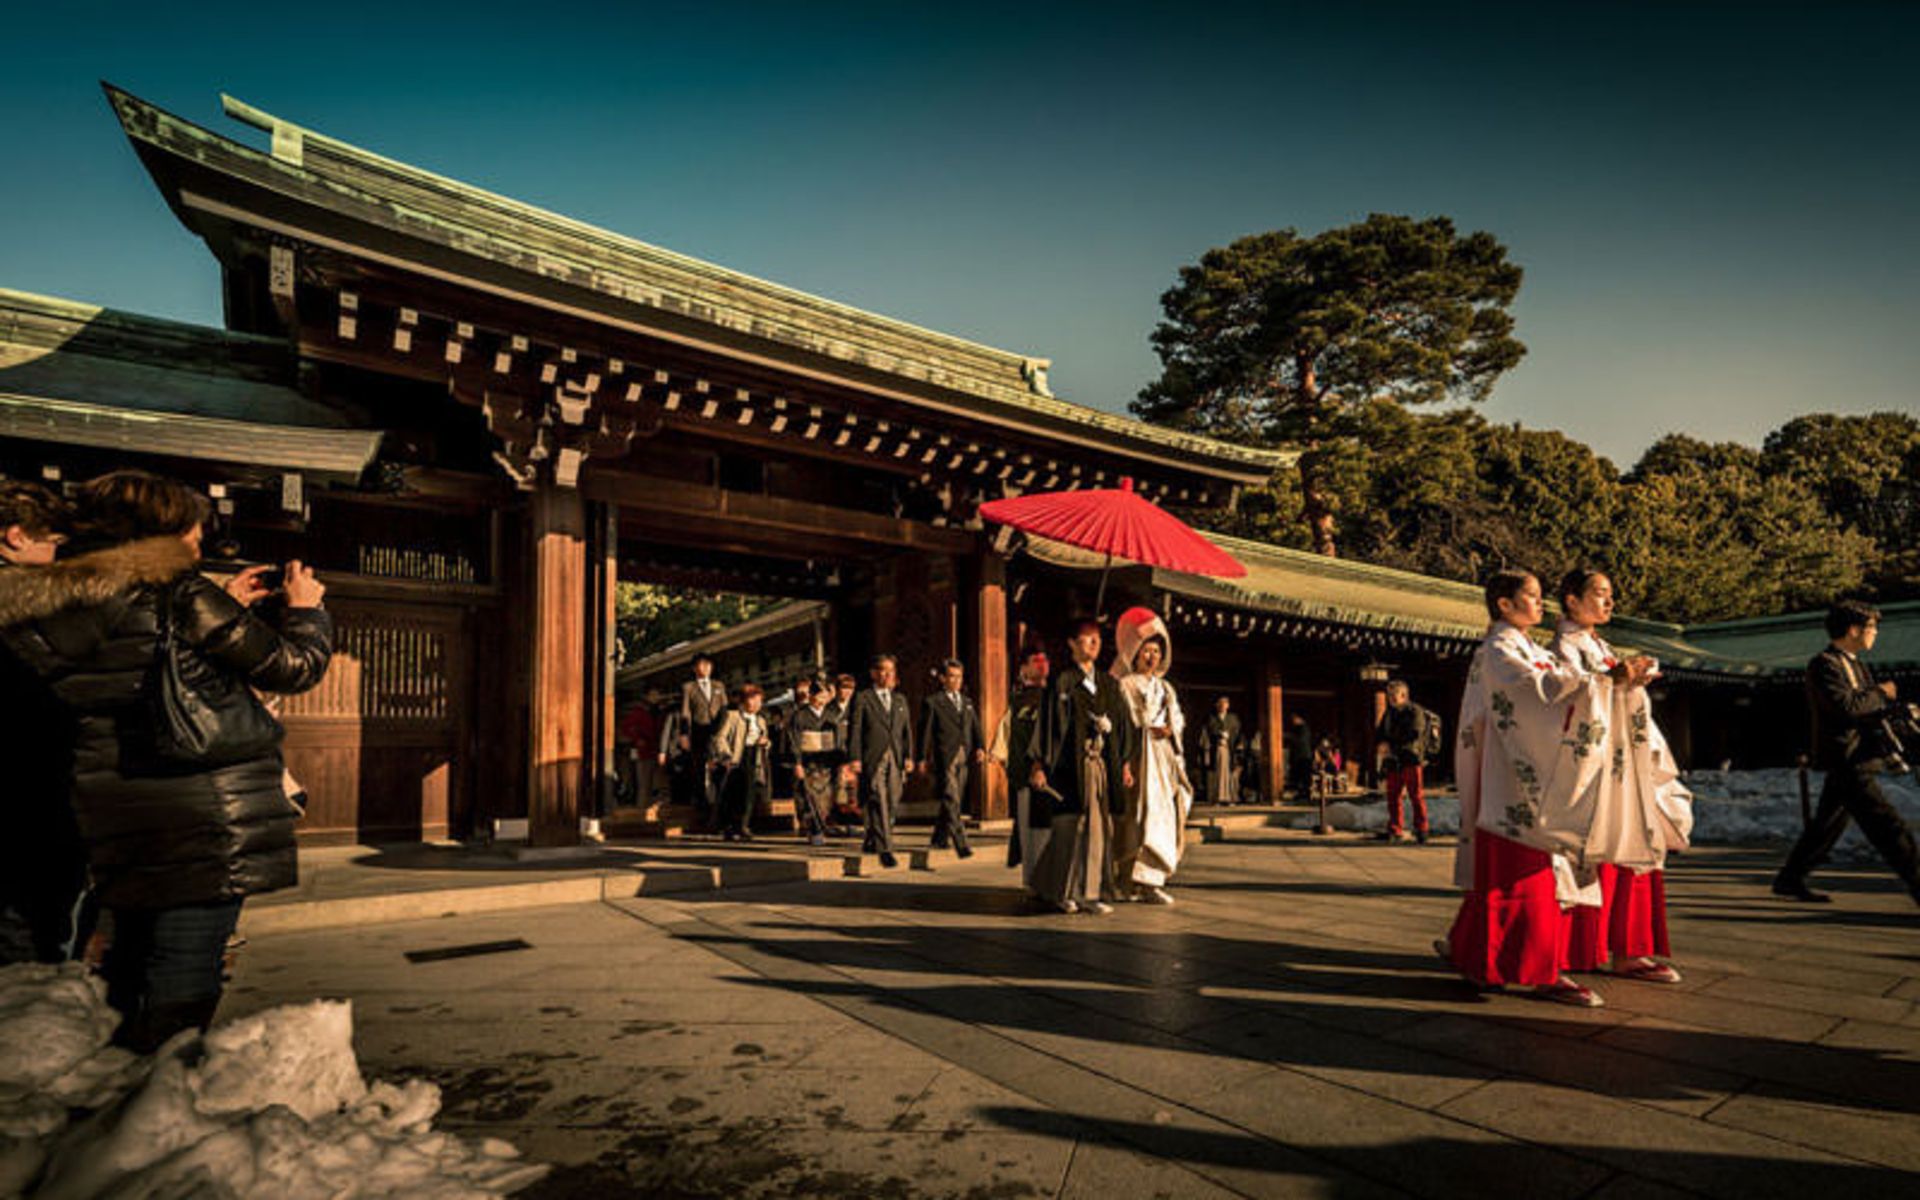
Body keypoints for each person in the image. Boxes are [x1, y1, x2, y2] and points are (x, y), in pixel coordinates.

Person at [0, 470, 332, 1049]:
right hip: (202, 811)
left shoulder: (48, 603)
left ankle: (120, 1094)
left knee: (129, 959)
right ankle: (160, 1101)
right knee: (184, 967)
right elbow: (292, 666)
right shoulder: (179, 594)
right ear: (167, 528)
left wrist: (222, 604)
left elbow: (135, 660)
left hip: (115, 807)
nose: (200, 539)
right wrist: (306, 612)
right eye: (193, 527)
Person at [1437, 568, 1651, 1008]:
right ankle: (1541, 970)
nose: (1540, 603)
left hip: (1525, 770)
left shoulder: (1524, 647)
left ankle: (1481, 958)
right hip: (1514, 776)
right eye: (1532, 596)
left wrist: (1617, 682)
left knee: (1517, 875)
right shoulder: (1498, 650)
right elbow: (1538, 693)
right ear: (1504, 604)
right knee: (1529, 876)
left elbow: (1560, 687)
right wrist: (1608, 681)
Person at [1553, 569, 1692, 984]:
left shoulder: (1599, 645)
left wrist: (1630, 682)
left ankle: (1629, 948)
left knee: (1633, 845)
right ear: (1572, 600)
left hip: (1622, 762)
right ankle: (1586, 947)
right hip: (1596, 765)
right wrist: (1616, 680)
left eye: (1611, 595)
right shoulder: (1564, 648)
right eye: (1599, 594)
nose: (1609, 602)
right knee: (1596, 852)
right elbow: (1565, 699)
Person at [1772, 599, 1920, 907]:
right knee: (1889, 827)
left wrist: (1897, 709)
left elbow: (1866, 708)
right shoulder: (1824, 664)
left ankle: (1790, 878)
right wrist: (1881, 693)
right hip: (1847, 757)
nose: (1875, 633)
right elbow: (1847, 707)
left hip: (1857, 755)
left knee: (1827, 824)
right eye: (1872, 627)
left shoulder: (1855, 664)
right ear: (1853, 629)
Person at [0, 480, 88, 965]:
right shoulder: (23, 603)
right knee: (30, 933)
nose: (57, 556)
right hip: (29, 784)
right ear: (16, 535)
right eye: (51, 543)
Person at [1030, 619, 1136, 915]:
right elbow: (1048, 726)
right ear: (1071, 644)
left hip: (1100, 764)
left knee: (1099, 827)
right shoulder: (1062, 682)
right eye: (1086, 639)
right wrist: (1039, 764)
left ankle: (1091, 891)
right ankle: (1061, 890)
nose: (1093, 644)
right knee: (1069, 826)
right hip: (1068, 766)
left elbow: (1124, 726)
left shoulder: (1109, 684)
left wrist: (1123, 760)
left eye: (1097, 640)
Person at [1111, 608, 1193, 904]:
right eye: (1146, 651)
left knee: (1162, 816)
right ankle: (1126, 880)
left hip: (1163, 759)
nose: (1152, 657)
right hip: (1138, 756)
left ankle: (1151, 881)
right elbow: (1122, 724)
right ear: (1135, 653)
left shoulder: (1166, 688)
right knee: (1135, 818)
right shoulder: (1126, 685)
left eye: (1157, 651)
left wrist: (1172, 729)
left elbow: (1180, 720)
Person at [993, 647, 1052, 896]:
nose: (1042, 664)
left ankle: (1053, 882)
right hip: (1027, 775)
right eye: (1035, 660)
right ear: (1023, 669)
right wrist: (1008, 762)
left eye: (1044, 659)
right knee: (1031, 833)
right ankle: (1034, 883)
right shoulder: (1017, 701)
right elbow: (1006, 735)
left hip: (1053, 774)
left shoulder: (1055, 696)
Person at [848, 654, 914, 868]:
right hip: (872, 756)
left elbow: (906, 732)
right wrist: (855, 757)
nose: (887, 675)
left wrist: (909, 756)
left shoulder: (900, 700)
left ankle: (871, 837)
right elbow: (855, 730)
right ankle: (886, 848)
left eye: (891, 671)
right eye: (883, 670)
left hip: (895, 756)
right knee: (878, 799)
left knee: (893, 799)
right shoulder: (863, 697)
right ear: (874, 673)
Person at [918, 658, 985, 858]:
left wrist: (980, 746)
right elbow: (925, 732)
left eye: (959, 677)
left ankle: (939, 837)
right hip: (944, 755)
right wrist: (921, 757)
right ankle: (961, 842)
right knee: (951, 797)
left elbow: (975, 726)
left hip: (964, 754)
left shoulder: (967, 702)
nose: (956, 681)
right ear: (942, 679)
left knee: (954, 798)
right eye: (952, 676)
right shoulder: (933, 702)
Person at [1374, 680, 1437, 843]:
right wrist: (1381, 743)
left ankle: (1422, 829)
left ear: (1404, 695)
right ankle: (1395, 828)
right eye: (1389, 695)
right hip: (1393, 760)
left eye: (1394, 695)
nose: (1391, 698)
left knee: (1415, 795)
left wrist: (1391, 744)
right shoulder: (1389, 714)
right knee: (1393, 796)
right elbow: (1381, 733)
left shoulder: (1415, 711)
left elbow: (1415, 734)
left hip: (1411, 759)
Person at [709, 684, 772, 842]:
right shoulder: (733, 716)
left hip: (754, 757)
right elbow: (720, 737)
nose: (757, 704)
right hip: (736, 758)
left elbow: (767, 741)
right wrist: (726, 755)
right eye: (754, 700)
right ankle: (729, 826)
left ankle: (743, 825)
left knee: (749, 794)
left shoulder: (761, 720)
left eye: (760, 701)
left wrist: (765, 742)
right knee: (733, 793)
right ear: (744, 701)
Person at [787, 673, 841, 845]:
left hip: (826, 761)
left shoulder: (831, 715)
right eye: (819, 695)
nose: (823, 698)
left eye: (825, 695)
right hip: (807, 761)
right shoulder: (799, 715)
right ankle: (814, 829)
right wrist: (797, 762)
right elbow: (794, 740)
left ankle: (822, 825)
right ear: (810, 696)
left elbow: (838, 738)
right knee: (808, 798)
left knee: (825, 798)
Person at [680, 654, 728, 825]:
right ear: (694, 668)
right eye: (701, 665)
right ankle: (702, 809)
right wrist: (684, 734)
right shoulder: (689, 687)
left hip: (717, 732)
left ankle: (719, 810)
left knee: (719, 769)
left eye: (708, 664)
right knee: (700, 769)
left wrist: (723, 731)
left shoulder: (719, 686)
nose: (705, 668)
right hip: (699, 731)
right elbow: (685, 713)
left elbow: (724, 709)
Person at [826, 673, 862, 830]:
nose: (846, 692)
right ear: (837, 689)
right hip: (833, 753)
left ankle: (850, 821)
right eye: (843, 688)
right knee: (835, 788)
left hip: (851, 753)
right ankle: (834, 820)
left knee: (852, 789)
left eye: (850, 689)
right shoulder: (829, 708)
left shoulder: (857, 707)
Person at [617, 695, 662, 806]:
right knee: (642, 781)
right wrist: (637, 739)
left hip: (654, 750)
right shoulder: (639, 712)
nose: (657, 697)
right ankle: (641, 808)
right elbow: (626, 728)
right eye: (654, 694)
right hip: (642, 751)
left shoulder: (657, 713)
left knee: (650, 782)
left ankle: (646, 806)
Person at [1200, 695, 1242, 806]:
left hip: (1229, 748)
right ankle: (1217, 798)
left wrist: (1229, 736)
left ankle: (1230, 798)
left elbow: (1237, 732)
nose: (1223, 705)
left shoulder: (1233, 718)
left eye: (1225, 703)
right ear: (1217, 705)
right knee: (1217, 774)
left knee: (1230, 774)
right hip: (1217, 748)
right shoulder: (1212, 718)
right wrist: (1219, 734)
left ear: (1228, 705)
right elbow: (1210, 730)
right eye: (1220, 703)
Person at [1284, 713, 1314, 800]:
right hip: (1299, 756)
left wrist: (1289, 736)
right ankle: (1301, 793)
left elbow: (1301, 741)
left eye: (1294, 719)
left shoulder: (1304, 728)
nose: (1293, 721)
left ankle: (1305, 794)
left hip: (1303, 756)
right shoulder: (1297, 729)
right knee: (1299, 776)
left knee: (1304, 776)